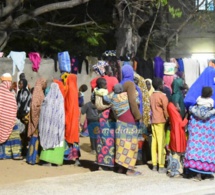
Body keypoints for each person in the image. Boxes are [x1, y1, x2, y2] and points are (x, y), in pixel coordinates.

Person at [104, 83, 141, 175]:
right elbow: (136, 98)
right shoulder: (126, 96)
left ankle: (121, 168)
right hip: (129, 124)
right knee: (131, 146)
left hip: (119, 124)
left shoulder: (113, 98)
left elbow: (106, 98)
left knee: (121, 146)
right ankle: (130, 169)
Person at [184, 90, 215, 181]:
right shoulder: (212, 111)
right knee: (207, 151)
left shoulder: (193, 109)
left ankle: (196, 173)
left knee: (195, 151)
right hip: (208, 138)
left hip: (196, 138)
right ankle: (206, 173)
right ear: (210, 95)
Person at [39, 82, 65, 166]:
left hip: (48, 127)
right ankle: (56, 160)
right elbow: (61, 113)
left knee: (48, 139)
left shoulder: (47, 99)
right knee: (57, 140)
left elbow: (43, 114)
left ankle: (47, 161)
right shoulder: (60, 99)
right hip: (57, 125)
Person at [61, 73, 81, 166]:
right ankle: (76, 158)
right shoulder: (76, 92)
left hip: (68, 116)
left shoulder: (66, 89)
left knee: (67, 135)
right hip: (75, 118)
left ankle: (66, 157)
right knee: (75, 137)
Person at [150, 77, 169, 173]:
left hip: (153, 120)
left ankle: (154, 164)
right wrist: (168, 118)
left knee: (154, 143)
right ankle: (161, 165)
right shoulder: (162, 96)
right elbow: (166, 110)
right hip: (161, 121)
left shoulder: (152, 96)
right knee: (161, 142)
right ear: (161, 86)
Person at [27, 78, 47, 165]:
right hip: (38, 120)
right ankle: (34, 158)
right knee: (36, 139)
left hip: (38, 119)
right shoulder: (38, 93)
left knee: (35, 138)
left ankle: (32, 157)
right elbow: (34, 107)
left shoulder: (39, 92)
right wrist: (42, 108)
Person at [167, 102, 188, 177]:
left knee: (173, 153)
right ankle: (175, 172)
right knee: (177, 153)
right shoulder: (176, 115)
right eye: (178, 105)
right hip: (178, 135)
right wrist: (186, 117)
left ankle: (171, 169)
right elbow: (182, 124)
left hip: (174, 134)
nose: (179, 106)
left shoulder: (172, 111)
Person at [0, 73, 19, 159]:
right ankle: (5, 154)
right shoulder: (10, 95)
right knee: (5, 135)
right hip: (7, 120)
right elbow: (14, 108)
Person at [17, 79, 31, 156]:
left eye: (21, 84)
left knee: (24, 134)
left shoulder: (26, 92)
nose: (19, 85)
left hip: (24, 115)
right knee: (21, 133)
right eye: (19, 84)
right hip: (19, 115)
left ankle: (24, 151)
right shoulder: (19, 92)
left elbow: (24, 103)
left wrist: (21, 113)